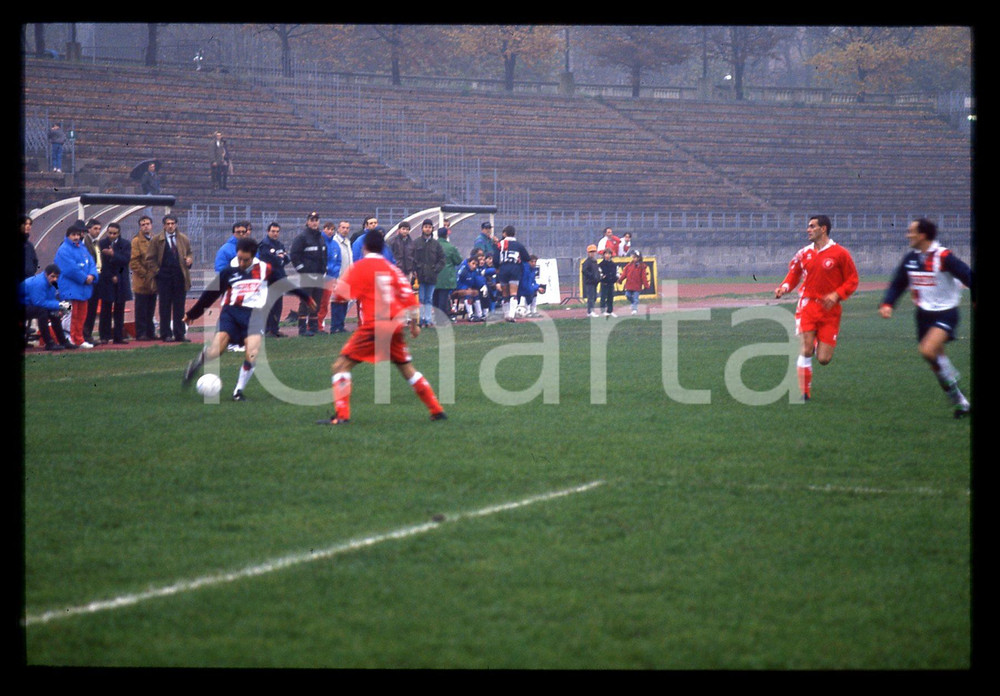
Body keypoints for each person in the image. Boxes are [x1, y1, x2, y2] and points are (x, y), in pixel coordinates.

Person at [316, 230, 446, 425]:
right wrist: (414, 325)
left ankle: (342, 416)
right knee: (407, 369)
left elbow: (340, 296)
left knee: (340, 366)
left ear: (364, 247)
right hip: (395, 326)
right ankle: (436, 410)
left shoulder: (360, 267)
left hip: (373, 326)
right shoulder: (393, 269)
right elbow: (410, 299)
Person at [183, 237, 317, 401]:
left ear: (253, 257)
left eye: (245, 260)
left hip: (254, 316)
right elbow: (210, 295)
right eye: (239, 258)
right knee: (216, 350)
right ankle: (197, 363)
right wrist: (192, 314)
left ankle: (238, 392)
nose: (241, 262)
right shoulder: (229, 272)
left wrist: (305, 297)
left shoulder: (265, 269)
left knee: (253, 353)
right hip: (230, 314)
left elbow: (284, 284)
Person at [878, 218, 974, 418]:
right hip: (923, 315)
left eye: (911, 231)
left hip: (946, 312)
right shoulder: (911, 258)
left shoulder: (943, 256)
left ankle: (952, 378)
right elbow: (898, 283)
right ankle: (961, 402)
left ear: (922, 235)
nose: (908, 235)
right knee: (934, 360)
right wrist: (888, 303)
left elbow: (967, 275)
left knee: (927, 350)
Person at [774, 214, 859, 401]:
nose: (808, 230)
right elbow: (794, 274)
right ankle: (804, 393)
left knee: (824, 359)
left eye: (812, 226)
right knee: (805, 350)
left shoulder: (840, 253)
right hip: (807, 306)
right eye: (808, 226)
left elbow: (852, 280)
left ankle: (814, 343)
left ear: (823, 229)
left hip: (830, 310)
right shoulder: (803, 253)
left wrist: (837, 294)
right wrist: (784, 287)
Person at [146, 213, 194, 342]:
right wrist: (157, 271)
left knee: (179, 307)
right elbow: (150, 258)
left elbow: (189, 253)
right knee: (165, 306)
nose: (170, 226)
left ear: (176, 225)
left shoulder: (183, 239)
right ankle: (165, 334)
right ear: (164, 226)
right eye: (168, 224)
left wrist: (189, 260)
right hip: (164, 277)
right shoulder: (157, 240)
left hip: (180, 276)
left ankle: (179, 334)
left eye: (172, 223)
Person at [52, 220, 97, 348]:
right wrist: (85, 278)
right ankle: (67, 338)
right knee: (70, 314)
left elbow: (91, 263)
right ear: (68, 236)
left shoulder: (82, 248)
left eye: (78, 234)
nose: (76, 237)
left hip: (82, 289)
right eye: (73, 235)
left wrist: (92, 275)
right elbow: (70, 268)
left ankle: (78, 339)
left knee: (81, 315)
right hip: (70, 288)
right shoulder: (63, 250)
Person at [289, 211, 327, 336]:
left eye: (316, 220)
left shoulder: (320, 237)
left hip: (319, 276)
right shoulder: (302, 238)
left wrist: (324, 269)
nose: (314, 223)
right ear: (307, 222)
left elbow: (324, 255)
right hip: (307, 276)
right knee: (306, 302)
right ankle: (302, 329)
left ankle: (314, 327)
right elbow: (294, 256)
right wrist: (303, 271)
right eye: (312, 220)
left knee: (316, 302)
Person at [20, 264, 72, 351]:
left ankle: (63, 341)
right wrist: (60, 305)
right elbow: (39, 302)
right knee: (42, 310)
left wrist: (60, 307)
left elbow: (50, 300)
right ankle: (49, 343)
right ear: (46, 274)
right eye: (53, 276)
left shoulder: (50, 283)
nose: (55, 279)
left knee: (53, 312)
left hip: (29, 304)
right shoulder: (39, 283)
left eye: (57, 277)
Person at [96, 222, 132, 344]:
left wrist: (113, 254)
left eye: (114, 233)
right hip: (106, 280)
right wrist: (111, 276)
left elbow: (126, 260)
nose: (112, 235)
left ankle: (118, 336)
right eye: (110, 233)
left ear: (119, 233)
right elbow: (101, 263)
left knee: (119, 309)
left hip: (121, 280)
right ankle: (104, 336)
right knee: (105, 309)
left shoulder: (125, 244)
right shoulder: (101, 244)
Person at [257, 221, 290, 338]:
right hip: (269, 279)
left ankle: (275, 329)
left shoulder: (279, 244)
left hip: (279, 278)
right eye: (273, 231)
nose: (275, 233)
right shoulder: (264, 245)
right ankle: (267, 330)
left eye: (277, 231)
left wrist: (280, 258)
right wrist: (279, 258)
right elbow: (268, 260)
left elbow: (287, 259)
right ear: (268, 232)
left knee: (278, 305)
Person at [413, 219, 446, 327]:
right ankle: (421, 319)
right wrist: (416, 269)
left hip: (432, 276)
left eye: (429, 227)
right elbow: (412, 258)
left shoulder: (436, 244)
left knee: (429, 298)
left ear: (432, 229)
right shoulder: (416, 242)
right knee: (421, 298)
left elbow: (442, 259)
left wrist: (436, 269)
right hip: (420, 276)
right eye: (426, 227)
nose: (427, 229)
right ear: (422, 228)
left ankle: (428, 319)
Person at [129, 215, 157, 341]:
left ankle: (151, 332)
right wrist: (146, 274)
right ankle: (141, 333)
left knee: (151, 309)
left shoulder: (155, 239)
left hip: (154, 281)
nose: (146, 226)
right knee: (141, 309)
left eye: (147, 224)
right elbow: (134, 262)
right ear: (140, 227)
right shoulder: (136, 241)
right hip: (142, 281)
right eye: (143, 224)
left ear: (151, 225)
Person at [496, 225, 531, 323]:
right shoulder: (518, 245)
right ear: (514, 234)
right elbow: (527, 258)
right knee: (513, 293)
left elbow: (495, 258)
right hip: (515, 269)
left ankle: (506, 315)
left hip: (503, 269)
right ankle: (512, 315)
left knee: (505, 293)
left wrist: (497, 268)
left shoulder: (500, 244)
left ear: (504, 234)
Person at [327, 220, 354, 333]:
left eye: (347, 228)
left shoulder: (348, 242)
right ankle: (334, 326)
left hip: (347, 277)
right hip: (338, 276)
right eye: (343, 227)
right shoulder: (335, 242)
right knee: (336, 301)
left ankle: (341, 325)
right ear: (338, 228)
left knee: (345, 301)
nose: (345, 230)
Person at [81, 218, 104, 344]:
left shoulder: (97, 243)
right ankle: (85, 334)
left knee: (93, 307)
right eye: (95, 228)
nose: (98, 231)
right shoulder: (85, 242)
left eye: (99, 229)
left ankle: (88, 334)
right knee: (88, 308)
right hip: (89, 279)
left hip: (97, 278)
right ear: (88, 229)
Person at [434, 226, 463, 321]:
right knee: (443, 299)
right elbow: (458, 260)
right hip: (446, 277)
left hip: (433, 276)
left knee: (435, 298)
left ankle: (436, 317)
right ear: (446, 235)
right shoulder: (450, 247)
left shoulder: (433, 246)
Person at [453, 254, 486, 322]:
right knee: (468, 294)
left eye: (476, 264)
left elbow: (477, 280)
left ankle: (479, 314)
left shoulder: (475, 271)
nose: (474, 266)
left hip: (469, 288)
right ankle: (470, 315)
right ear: (468, 263)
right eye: (473, 263)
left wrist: (482, 285)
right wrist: (465, 288)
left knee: (476, 293)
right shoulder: (463, 270)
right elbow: (457, 282)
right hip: (457, 290)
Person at [620, 250, 649, 315]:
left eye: (635, 257)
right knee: (627, 295)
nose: (634, 259)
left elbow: (644, 277)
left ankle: (634, 309)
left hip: (637, 286)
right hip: (629, 285)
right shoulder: (629, 265)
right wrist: (620, 280)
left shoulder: (642, 266)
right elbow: (624, 274)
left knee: (636, 298)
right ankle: (633, 304)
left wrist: (646, 285)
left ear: (639, 258)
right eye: (633, 257)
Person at [598, 247, 620, 317]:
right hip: (604, 283)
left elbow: (617, 273)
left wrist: (615, 278)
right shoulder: (601, 264)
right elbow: (599, 273)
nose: (607, 255)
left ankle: (610, 311)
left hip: (611, 283)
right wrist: (603, 277)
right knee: (603, 297)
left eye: (609, 254)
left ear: (611, 255)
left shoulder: (613, 264)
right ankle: (602, 311)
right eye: (606, 254)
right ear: (603, 255)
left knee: (610, 297)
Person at [581, 244, 601, 317]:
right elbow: (584, 271)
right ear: (588, 253)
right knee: (591, 297)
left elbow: (597, 271)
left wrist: (598, 277)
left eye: (594, 252)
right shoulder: (587, 262)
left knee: (594, 297)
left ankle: (591, 311)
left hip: (594, 282)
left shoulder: (594, 261)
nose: (592, 253)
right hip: (589, 282)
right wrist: (592, 276)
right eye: (591, 252)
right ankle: (590, 312)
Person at [23, 216, 39, 280]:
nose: (28, 226)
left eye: (29, 224)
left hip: (29, 279)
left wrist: (31, 272)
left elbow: (35, 261)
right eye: (25, 224)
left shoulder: (29, 245)